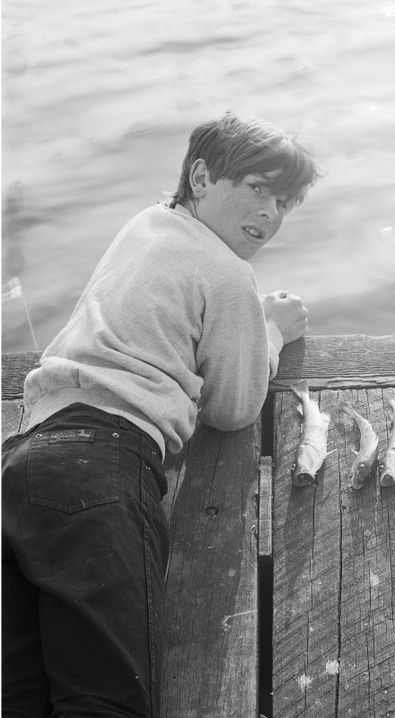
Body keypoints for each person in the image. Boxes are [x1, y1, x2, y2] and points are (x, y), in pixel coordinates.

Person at [1, 112, 318, 716]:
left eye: (285, 202)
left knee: (19, 695)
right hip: (100, 470)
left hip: (21, 459)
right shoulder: (229, 274)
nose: (271, 214)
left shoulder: (144, 226)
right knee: (104, 697)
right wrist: (270, 332)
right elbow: (234, 407)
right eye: (257, 189)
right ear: (201, 177)